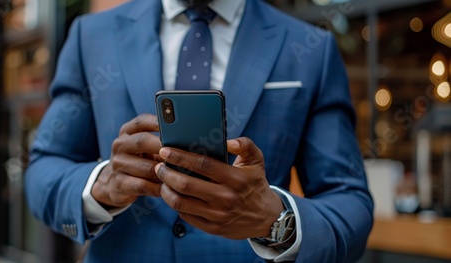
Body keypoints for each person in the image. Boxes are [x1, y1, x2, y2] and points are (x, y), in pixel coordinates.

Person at [24, 0, 374, 262]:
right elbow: (43, 170)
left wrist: (275, 220)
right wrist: (103, 184)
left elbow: (350, 202)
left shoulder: (311, 49)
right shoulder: (92, 36)